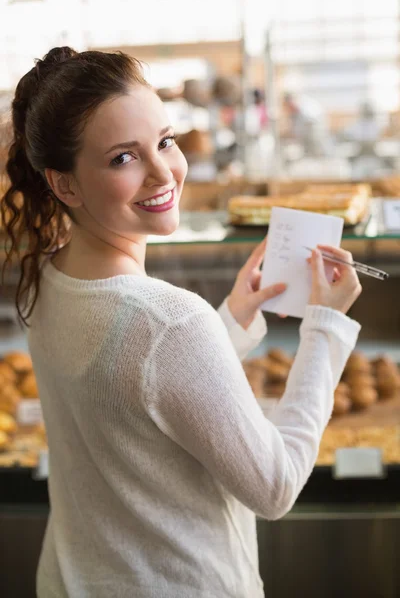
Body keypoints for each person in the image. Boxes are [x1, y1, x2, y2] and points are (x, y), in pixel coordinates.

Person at [1, 47, 362, 598]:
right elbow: (275, 486)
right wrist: (324, 327)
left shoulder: (48, 277)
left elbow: (130, 393)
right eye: (124, 158)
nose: (164, 171)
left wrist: (235, 319)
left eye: (165, 141)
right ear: (65, 184)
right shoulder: (168, 323)